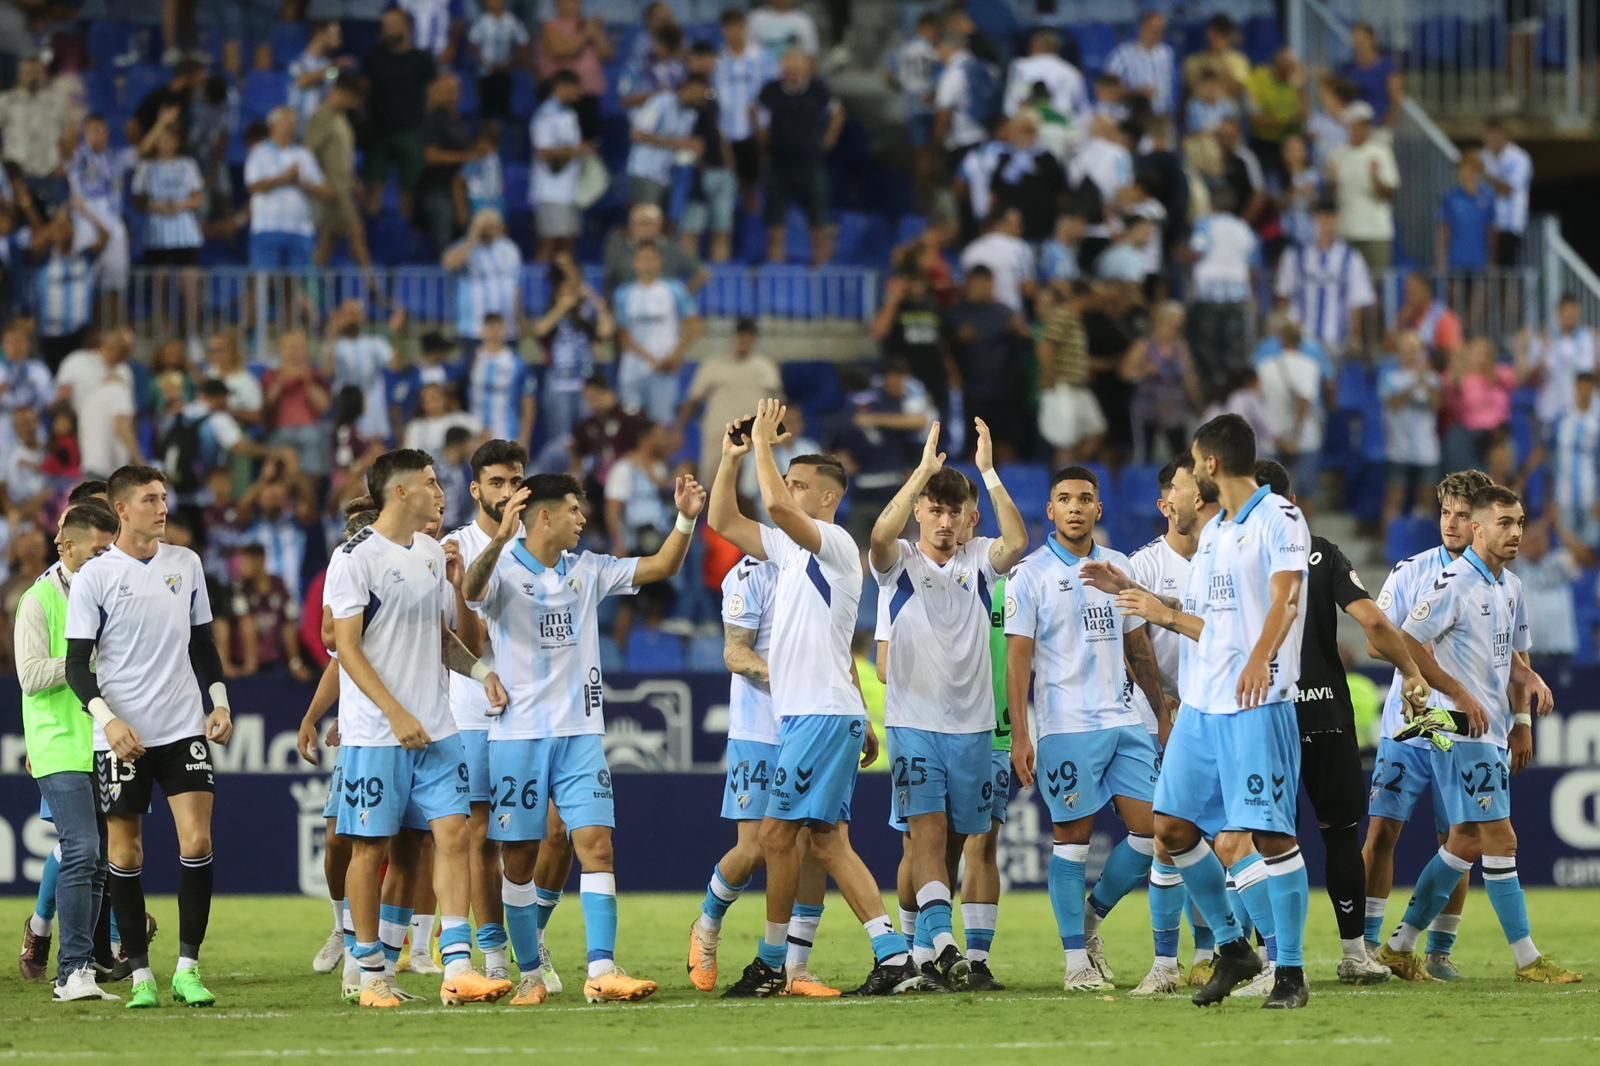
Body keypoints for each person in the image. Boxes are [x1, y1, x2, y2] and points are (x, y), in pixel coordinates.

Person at [462, 468, 707, 1004]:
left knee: (597, 845)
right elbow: (471, 590)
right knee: (519, 860)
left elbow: (664, 565)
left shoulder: (588, 569)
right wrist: (500, 539)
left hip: (580, 736)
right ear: (544, 516)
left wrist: (686, 518)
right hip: (518, 737)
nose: (583, 519)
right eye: (574, 510)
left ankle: (601, 969)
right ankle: (529, 973)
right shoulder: (502, 569)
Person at [708, 399, 910, 997]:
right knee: (825, 840)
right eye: (788, 483)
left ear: (827, 499)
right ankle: (891, 955)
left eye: (801, 486)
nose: (788, 493)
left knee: (778, 837)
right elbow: (724, 517)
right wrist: (732, 457)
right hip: (821, 712)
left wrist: (766, 447)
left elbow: (769, 504)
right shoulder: (793, 552)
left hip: (819, 715)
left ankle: (772, 964)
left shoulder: (836, 546)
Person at [1115, 414, 1314, 1009]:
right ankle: (1233, 948)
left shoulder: (1279, 516)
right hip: (1203, 706)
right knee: (1170, 828)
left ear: (1210, 464)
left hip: (1256, 702)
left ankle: (1292, 974)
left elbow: (1287, 598)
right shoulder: (1219, 532)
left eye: (1193, 460)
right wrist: (1152, 604)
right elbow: (1207, 621)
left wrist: (1260, 659)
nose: (1191, 468)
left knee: (1272, 836)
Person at [323, 449, 514, 1009]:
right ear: (400, 491)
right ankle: (370, 972)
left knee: (452, 835)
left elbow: (439, 637)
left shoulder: (431, 554)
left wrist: (482, 673)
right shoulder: (353, 559)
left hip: (437, 727)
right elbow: (347, 648)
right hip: (376, 734)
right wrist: (394, 713)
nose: (440, 490)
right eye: (430, 482)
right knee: (369, 848)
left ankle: (456, 966)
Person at [1378, 485, 1579, 985]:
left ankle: (1401, 946)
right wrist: (1457, 692)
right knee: (1501, 840)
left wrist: (1525, 687)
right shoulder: (1453, 584)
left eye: (1520, 522)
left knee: (1465, 842)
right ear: (1479, 529)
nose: (1516, 532)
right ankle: (1529, 960)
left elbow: (1508, 653)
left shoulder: (1509, 586)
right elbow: (1406, 640)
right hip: (1461, 730)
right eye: (1505, 523)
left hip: (1490, 729)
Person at [62, 467, 233, 1009]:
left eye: (164, 498)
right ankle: (139, 974)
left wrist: (220, 702)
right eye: (150, 499)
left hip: (183, 725)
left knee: (198, 842)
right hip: (121, 734)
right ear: (122, 510)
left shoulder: (186, 563)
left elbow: (202, 643)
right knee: (126, 849)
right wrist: (108, 720)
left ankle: (187, 966)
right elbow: (75, 667)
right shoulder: (96, 576)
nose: (162, 507)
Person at [1253, 459, 1424, 984]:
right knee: (1341, 835)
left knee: (1264, 840)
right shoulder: (1322, 553)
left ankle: (1269, 960)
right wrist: (1412, 671)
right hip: (1325, 710)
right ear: (1293, 502)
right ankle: (1354, 955)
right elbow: (1371, 621)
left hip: (1265, 711)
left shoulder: (1234, 553)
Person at [872, 419, 1027, 988]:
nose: (942, 522)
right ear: (921, 512)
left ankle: (923, 949)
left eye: (952, 512)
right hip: (914, 723)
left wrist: (987, 472)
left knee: (958, 842)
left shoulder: (981, 559)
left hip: (974, 728)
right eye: (933, 510)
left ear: (966, 518)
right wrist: (922, 473)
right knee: (928, 835)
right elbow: (878, 539)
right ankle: (941, 947)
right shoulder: (900, 567)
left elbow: (1017, 543)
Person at [1005, 464, 1168, 993]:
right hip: (1065, 725)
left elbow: (1138, 648)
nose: (1075, 507)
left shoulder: (1118, 566)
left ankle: (1092, 916)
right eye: (1064, 499)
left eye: (1085, 499)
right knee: (1071, 842)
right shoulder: (1028, 575)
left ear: (1099, 508)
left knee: (1154, 834)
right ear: (1049, 511)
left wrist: (1161, 717)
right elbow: (1018, 662)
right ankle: (1076, 961)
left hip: (1126, 720)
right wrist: (1022, 734)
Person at [1361, 469, 1495, 980]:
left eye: (1463, 515)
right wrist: (1416, 669)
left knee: (1457, 838)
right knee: (1382, 832)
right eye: (1446, 513)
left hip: (1462, 730)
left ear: (1481, 521)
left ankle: (1439, 953)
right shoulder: (1412, 571)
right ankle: (1370, 947)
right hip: (1412, 724)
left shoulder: (1495, 583)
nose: (1452, 523)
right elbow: (1375, 639)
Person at [687, 545, 837, 996]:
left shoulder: (821, 563)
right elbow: (735, 652)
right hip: (759, 728)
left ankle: (797, 968)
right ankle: (707, 925)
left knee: (812, 842)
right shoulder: (752, 573)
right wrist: (784, 677)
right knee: (755, 848)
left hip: (811, 724)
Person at [15, 502, 121, 1002]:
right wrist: (81, 660)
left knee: (97, 859)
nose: (105, 557)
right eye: (98, 550)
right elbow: (31, 675)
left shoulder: (109, 594)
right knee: (82, 848)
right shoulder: (37, 601)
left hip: (103, 740)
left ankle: (82, 969)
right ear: (67, 546)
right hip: (57, 744)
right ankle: (71, 970)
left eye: (109, 549)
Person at [439, 440, 526, 988]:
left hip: (535, 713)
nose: (506, 491)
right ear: (476, 489)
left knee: (545, 833)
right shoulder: (455, 547)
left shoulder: (542, 539)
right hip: (473, 709)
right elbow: (468, 640)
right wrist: (458, 585)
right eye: (496, 482)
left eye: (514, 480)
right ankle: (493, 950)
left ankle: (530, 935)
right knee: (481, 835)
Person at [758, 51, 844, 266]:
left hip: (810, 164)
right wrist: (764, 141)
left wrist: (829, 138)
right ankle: (776, 274)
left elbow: (839, 112)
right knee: (775, 225)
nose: (793, 71)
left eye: (798, 66)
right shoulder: (771, 90)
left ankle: (820, 270)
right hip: (779, 164)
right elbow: (757, 115)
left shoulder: (818, 89)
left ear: (807, 68)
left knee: (818, 223)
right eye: (789, 66)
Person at [678, 318, 782, 489]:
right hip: (719, 435)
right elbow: (693, 400)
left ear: (755, 339)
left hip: (753, 436)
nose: (744, 341)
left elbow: (779, 403)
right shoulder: (714, 365)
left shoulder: (765, 367)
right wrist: (679, 429)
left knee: (754, 487)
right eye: (741, 336)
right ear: (734, 337)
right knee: (713, 483)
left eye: (749, 336)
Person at [613, 241, 704, 425]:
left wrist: (676, 356)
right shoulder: (623, 294)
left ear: (659, 262)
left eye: (651, 259)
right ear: (635, 262)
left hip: (665, 369)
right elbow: (623, 334)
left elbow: (694, 326)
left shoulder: (674, 290)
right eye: (642, 259)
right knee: (631, 423)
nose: (647, 263)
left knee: (661, 425)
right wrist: (649, 359)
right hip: (633, 369)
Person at [1274, 200, 1375, 361]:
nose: (1326, 223)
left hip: (1336, 339)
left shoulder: (1351, 258)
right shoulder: (1294, 255)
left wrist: (1356, 337)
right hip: (1301, 339)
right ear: (1314, 219)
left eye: (1331, 218)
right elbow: (1284, 295)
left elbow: (1357, 300)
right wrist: (1286, 334)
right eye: (1322, 218)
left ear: (1338, 220)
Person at [362, 8, 438, 218]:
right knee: (375, 185)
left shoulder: (422, 59)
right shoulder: (373, 57)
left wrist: (423, 122)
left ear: (407, 27)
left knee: (411, 187)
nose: (387, 29)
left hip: (412, 129)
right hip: (379, 131)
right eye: (385, 24)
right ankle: (371, 225)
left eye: (392, 24)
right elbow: (364, 90)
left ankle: (407, 230)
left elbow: (432, 95)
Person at [532, 256, 612, 443]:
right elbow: (539, 330)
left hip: (585, 386)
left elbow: (606, 330)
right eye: (565, 289)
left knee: (589, 436)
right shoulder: (552, 310)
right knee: (561, 440)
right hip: (559, 384)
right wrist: (561, 307)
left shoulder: (586, 313)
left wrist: (594, 300)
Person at [244, 107, 329, 272]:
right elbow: (253, 186)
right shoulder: (259, 153)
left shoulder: (304, 154)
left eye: (295, 123)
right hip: (267, 228)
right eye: (288, 122)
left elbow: (324, 190)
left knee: (297, 284)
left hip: (300, 229)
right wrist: (284, 178)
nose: (292, 126)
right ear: (273, 125)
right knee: (264, 280)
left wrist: (302, 182)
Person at [307, 73, 372, 274]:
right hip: (331, 192)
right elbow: (307, 154)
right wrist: (319, 185)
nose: (355, 104)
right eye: (353, 98)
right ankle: (373, 288)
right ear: (342, 93)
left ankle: (304, 287)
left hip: (344, 188)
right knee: (356, 232)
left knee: (328, 243)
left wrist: (355, 182)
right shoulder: (322, 117)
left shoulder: (341, 118)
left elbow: (342, 157)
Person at [1379, 332, 1443, 528]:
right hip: (1399, 449)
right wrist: (1414, 384)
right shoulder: (1390, 378)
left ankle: (1427, 549)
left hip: (1427, 450)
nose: (1410, 354)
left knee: (1428, 502)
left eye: (1414, 350)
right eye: (1406, 350)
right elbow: (1394, 404)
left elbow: (1438, 405)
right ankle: (1389, 548)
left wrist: (1424, 379)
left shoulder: (1431, 379)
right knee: (1394, 500)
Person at [716, 8, 777, 215]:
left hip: (759, 131)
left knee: (759, 184)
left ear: (744, 28)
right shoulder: (719, 62)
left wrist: (764, 125)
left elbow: (774, 93)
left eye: (736, 27)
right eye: (727, 28)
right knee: (733, 189)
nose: (731, 33)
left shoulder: (764, 58)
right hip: (728, 133)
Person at [1328, 102, 1399, 278]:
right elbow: (1331, 196)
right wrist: (1333, 182)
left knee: (1376, 283)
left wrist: (1375, 178)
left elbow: (1389, 195)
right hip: (1346, 230)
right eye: (1355, 124)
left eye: (1363, 124)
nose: (1358, 129)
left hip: (1376, 232)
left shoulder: (1381, 152)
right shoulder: (1336, 154)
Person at [443, 208, 523, 365]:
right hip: (474, 330)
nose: (490, 230)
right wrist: (473, 237)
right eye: (485, 226)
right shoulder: (467, 247)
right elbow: (449, 264)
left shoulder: (510, 249)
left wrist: (520, 321)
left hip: (507, 329)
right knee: (475, 375)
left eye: (493, 226)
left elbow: (516, 286)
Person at [530, 71, 591, 262]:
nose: (579, 92)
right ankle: (536, 288)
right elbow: (543, 152)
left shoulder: (568, 113)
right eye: (576, 87)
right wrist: (576, 150)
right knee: (551, 241)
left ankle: (565, 288)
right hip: (551, 190)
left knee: (567, 242)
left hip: (568, 190)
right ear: (561, 85)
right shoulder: (546, 114)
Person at [625, 74, 704, 210]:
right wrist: (680, 143)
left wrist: (692, 149)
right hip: (644, 171)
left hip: (666, 176)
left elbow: (680, 145)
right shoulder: (661, 102)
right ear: (689, 87)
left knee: (660, 224)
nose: (702, 97)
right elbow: (637, 134)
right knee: (646, 219)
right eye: (700, 92)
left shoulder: (691, 115)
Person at [466, 313, 536, 453]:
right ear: (482, 331)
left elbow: (529, 402)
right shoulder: (472, 360)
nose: (493, 334)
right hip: (476, 434)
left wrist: (524, 438)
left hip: (507, 433)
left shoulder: (517, 364)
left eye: (497, 329)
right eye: (489, 329)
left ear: (505, 331)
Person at [959, 206, 1034, 315]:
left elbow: (962, 288)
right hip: (1011, 316)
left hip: (976, 316)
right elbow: (1028, 290)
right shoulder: (1020, 247)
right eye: (1017, 225)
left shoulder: (971, 248)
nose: (1021, 230)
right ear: (1000, 223)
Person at [1481, 118, 1532, 271]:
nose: (1492, 138)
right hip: (1486, 225)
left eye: (1496, 134)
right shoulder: (1483, 157)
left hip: (1509, 226)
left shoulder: (1520, 158)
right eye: (1489, 134)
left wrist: (1484, 175)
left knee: (1508, 274)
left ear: (1504, 135)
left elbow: (1508, 190)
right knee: (1487, 272)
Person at [467, 0, 530, 122]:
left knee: (504, 108)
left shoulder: (512, 21)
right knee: (486, 109)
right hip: (485, 72)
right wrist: (484, 62)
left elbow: (524, 45)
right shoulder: (481, 21)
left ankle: (504, 133)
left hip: (505, 72)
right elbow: (472, 46)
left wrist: (511, 62)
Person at [1106, 11, 1175, 116]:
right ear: (1142, 28)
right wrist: (1137, 93)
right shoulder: (1122, 55)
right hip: (1132, 117)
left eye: (1161, 30)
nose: (1157, 34)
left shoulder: (1166, 53)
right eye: (1154, 29)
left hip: (1160, 118)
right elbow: (1107, 89)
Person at [287, 21, 346, 129]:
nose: (339, 38)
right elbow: (302, 81)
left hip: (317, 125)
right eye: (335, 33)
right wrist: (333, 68)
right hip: (295, 123)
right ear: (320, 34)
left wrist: (336, 70)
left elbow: (331, 82)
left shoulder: (328, 65)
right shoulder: (297, 60)